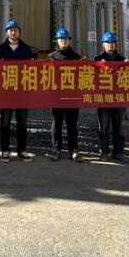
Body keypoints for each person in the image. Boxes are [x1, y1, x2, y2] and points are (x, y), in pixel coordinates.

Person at [0, 20, 35, 163]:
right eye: (10, 30)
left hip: (22, 92)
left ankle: (22, 150)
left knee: (22, 122)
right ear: (6, 32)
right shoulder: (0, 49)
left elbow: (33, 68)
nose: (13, 32)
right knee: (4, 123)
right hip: (6, 91)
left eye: (16, 30)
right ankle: (5, 150)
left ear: (19, 32)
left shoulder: (26, 49)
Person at [46, 28, 83, 162]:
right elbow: (46, 75)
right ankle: (56, 149)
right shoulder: (51, 57)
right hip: (57, 96)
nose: (63, 41)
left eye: (65, 38)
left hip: (72, 95)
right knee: (57, 123)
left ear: (69, 40)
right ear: (57, 41)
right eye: (61, 39)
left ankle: (73, 150)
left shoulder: (77, 57)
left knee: (72, 124)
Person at [94, 31, 127, 162]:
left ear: (116, 44)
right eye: (107, 42)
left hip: (119, 98)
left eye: (112, 42)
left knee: (118, 127)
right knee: (104, 128)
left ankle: (118, 151)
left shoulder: (122, 60)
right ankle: (104, 151)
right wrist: (99, 65)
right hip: (104, 99)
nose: (110, 45)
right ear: (103, 44)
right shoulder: (97, 59)